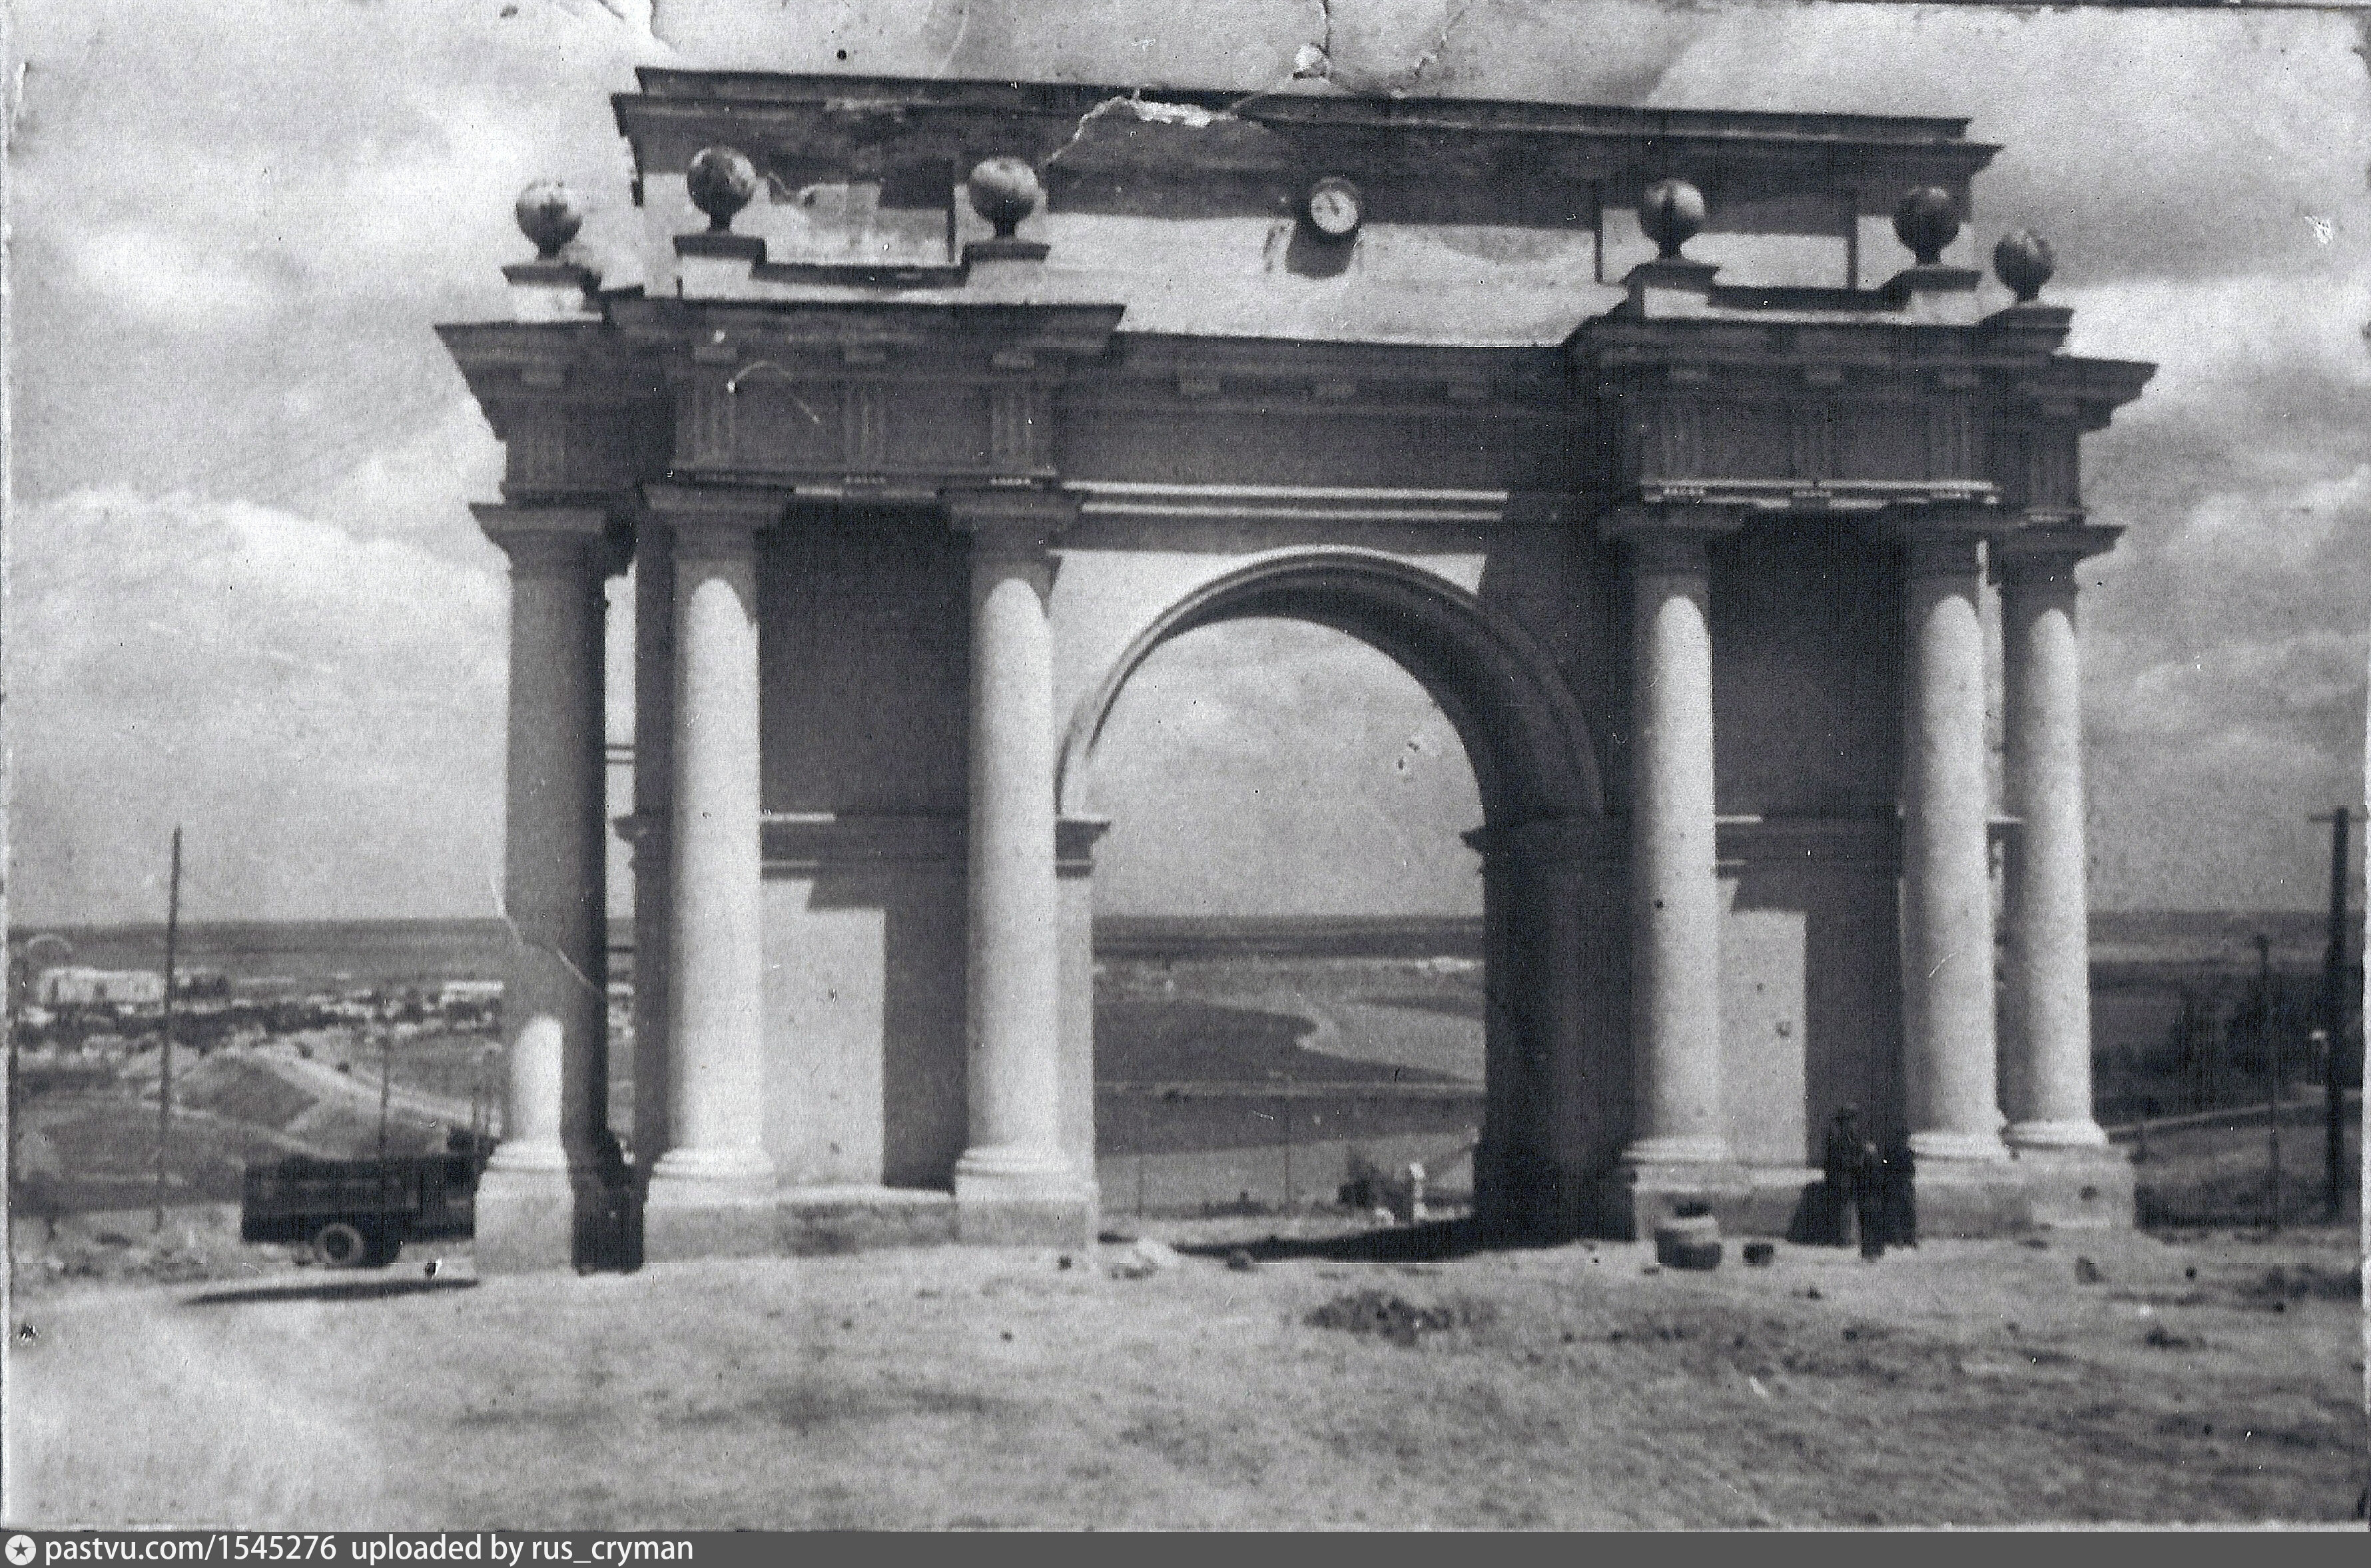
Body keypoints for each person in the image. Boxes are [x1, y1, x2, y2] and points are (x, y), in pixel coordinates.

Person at [1821, 1107, 1867, 1248]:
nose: (1855, 1124)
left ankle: (1847, 1238)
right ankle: (1843, 1239)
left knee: (1848, 1208)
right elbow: (1838, 1158)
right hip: (1842, 1177)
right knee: (1844, 1208)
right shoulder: (1838, 1137)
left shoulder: (1850, 1136)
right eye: (1852, 1120)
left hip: (1849, 1176)